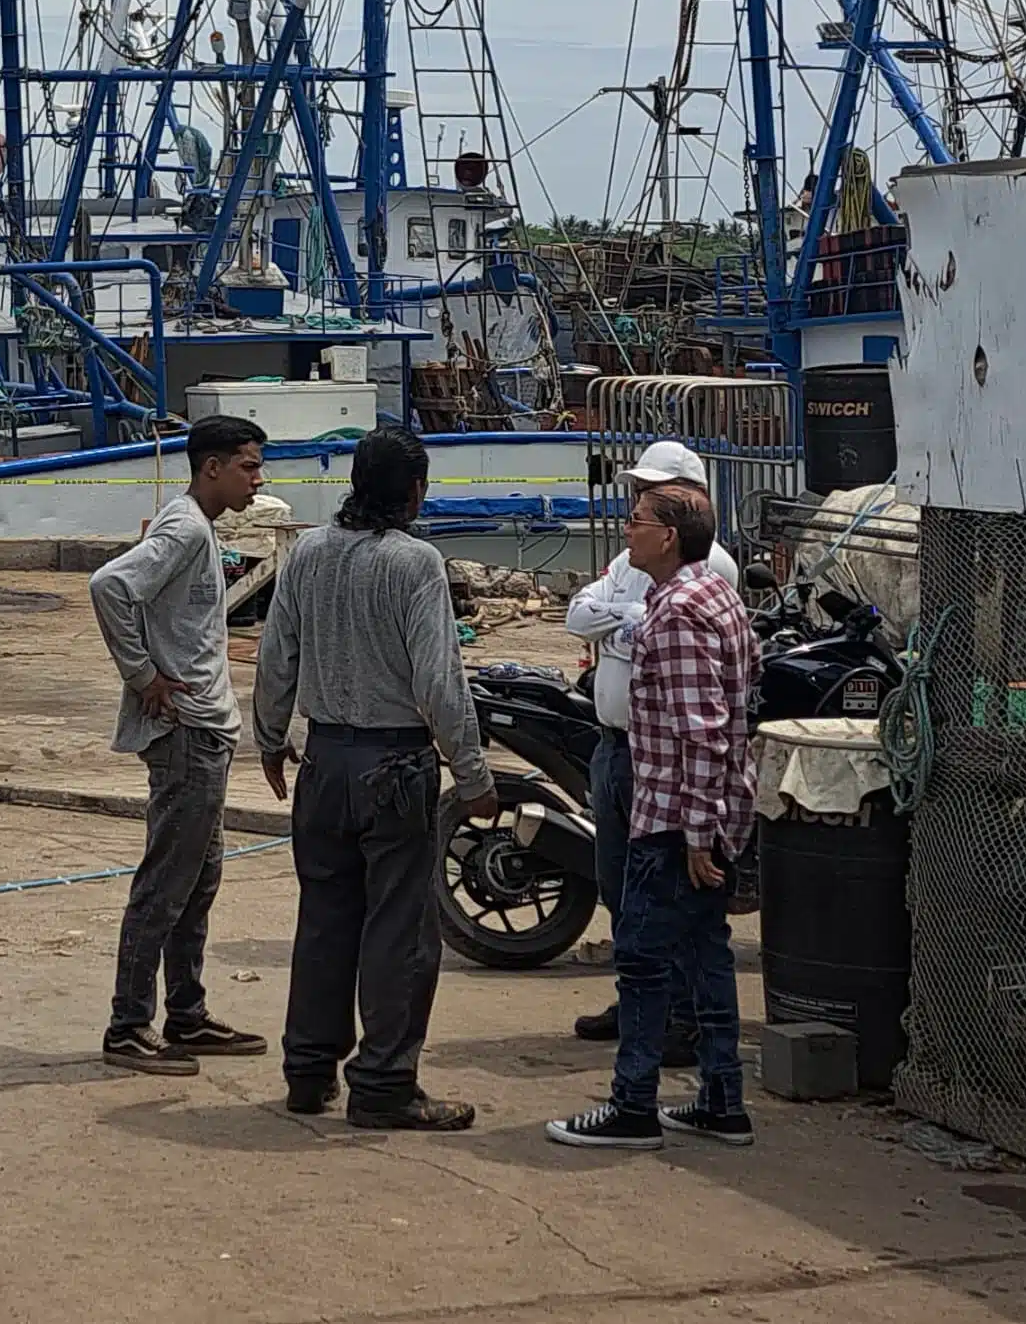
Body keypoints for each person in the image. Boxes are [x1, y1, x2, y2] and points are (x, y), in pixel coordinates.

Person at [250, 426, 496, 1131]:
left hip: (324, 762)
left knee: (325, 921)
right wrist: (473, 775)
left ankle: (308, 1069)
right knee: (399, 931)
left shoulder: (307, 554)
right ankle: (385, 1082)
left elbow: (275, 658)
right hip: (395, 765)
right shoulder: (415, 563)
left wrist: (269, 740)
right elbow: (441, 684)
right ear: (413, 491)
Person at [548, 484, 759, 1152]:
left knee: (642, 958)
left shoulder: (677, 613)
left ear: (668, 536)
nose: (627, 533)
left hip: (676, 820)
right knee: (704, 953)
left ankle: (632, 1103)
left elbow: (702, 730)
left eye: (636, 523)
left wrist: (697, 834)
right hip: (704, 812)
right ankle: (722, 1100)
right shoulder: (712, 595)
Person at [86, 413, 271, 1073]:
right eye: (247, 465)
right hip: (186, 734)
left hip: (207, 730)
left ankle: (186, 1015)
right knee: (167, 881)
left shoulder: (197, 529)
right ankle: (128, 1026)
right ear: (212, 468)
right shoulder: (187, 528)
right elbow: (110, 586)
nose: (257, 479)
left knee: (198, 880)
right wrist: (143, 676)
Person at [564, 440, 737, 1050]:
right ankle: (639, 995)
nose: (634, 508)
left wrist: (699, 818)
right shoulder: (631, 558)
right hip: (615, 743)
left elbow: (699, 719)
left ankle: (679, 1020)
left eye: (649, 497)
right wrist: (621, 618)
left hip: (659, 759)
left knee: (669, 898)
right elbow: (580, 614)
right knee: (619, 887)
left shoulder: (707, 571)